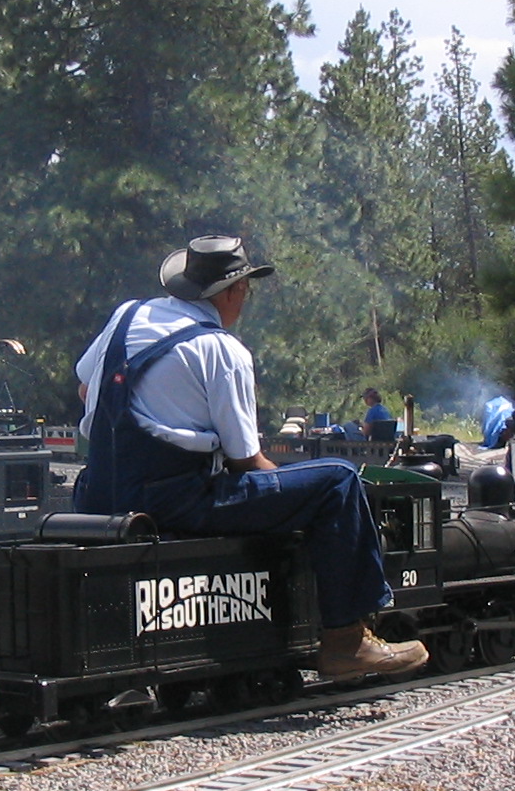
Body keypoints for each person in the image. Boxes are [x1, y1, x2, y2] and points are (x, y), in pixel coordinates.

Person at [72, 233, 422, 682]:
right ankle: (346, 642)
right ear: (234, 291)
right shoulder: (222, 350)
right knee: (336, 480)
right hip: (172, 499)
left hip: (97, 494)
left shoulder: (128, 316)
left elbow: (86, 389)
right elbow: (245, 462)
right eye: (247, 291)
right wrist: (289, 495)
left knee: (313, 481)